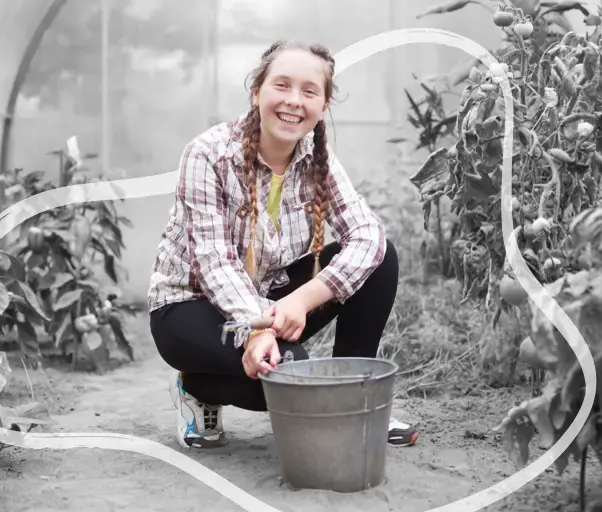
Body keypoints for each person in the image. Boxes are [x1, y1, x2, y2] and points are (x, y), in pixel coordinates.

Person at [147, 40, 418, 450]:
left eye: (309, 91)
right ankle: (196, 387)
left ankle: (357, 400)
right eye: (282, 85)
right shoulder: (209, 154)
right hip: (189, 304)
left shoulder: (317, 156)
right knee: (284, 375)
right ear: (256, 91)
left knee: (382, 261)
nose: (294, 101)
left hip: (269, 296)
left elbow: (368, 236)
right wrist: (257, 333)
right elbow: (214, 262)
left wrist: (303, 299)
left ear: (323, 105)